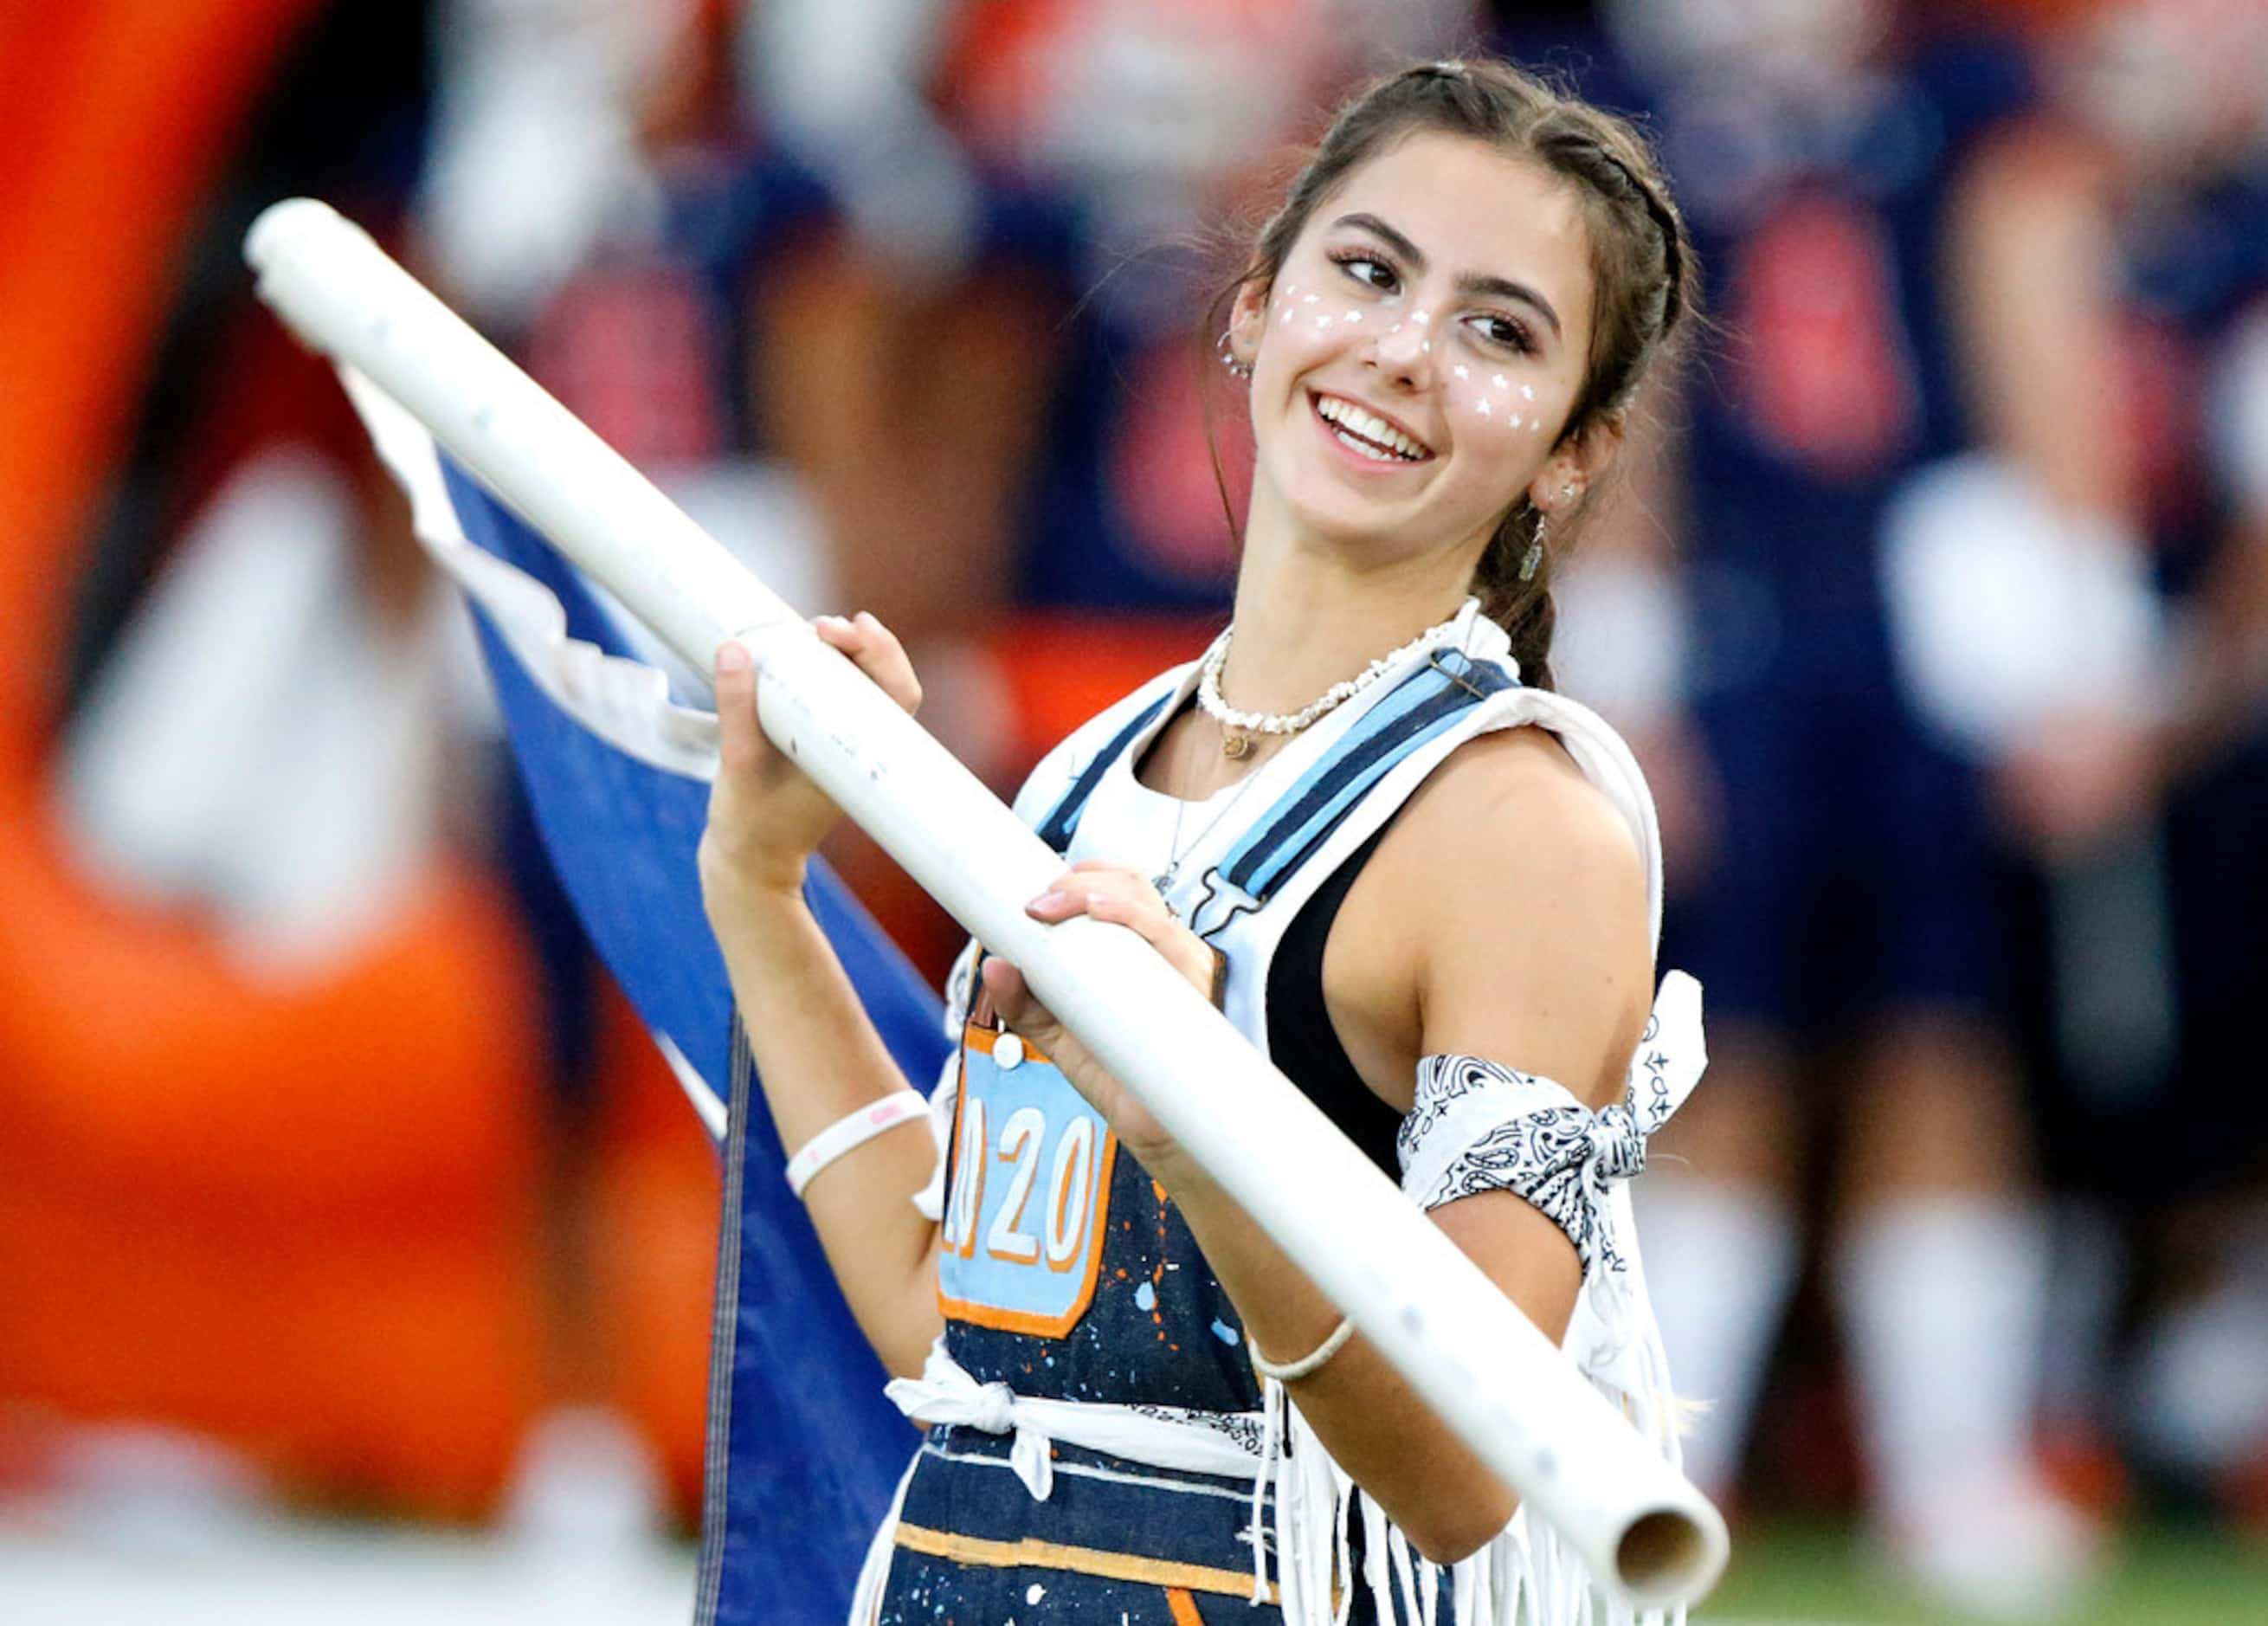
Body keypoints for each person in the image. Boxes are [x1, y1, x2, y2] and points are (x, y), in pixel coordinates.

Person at [698, 59, 1701, 1626]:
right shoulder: (1088, 773)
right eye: (1366, 272)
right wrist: (761, 889)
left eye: (1498, 330)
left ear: (1572, 452)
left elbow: (1465, 1477)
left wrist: (1188, 1121)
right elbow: (949, 1329)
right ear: (1252, 306)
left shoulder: (1524, 832)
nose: (1401, 351)